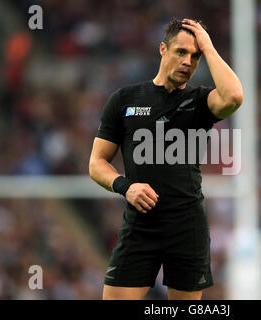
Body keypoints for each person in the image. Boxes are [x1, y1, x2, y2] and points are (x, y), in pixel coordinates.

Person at [89, 18, 243, 300]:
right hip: (140, 226)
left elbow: (234, 96)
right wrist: (126, 187)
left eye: (195, 56)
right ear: (163, 49)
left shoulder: (200, 102)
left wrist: (208, 47)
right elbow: (97, 163)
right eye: (181, 52)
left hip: (187, 228)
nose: (188, 61)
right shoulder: (124, 100)